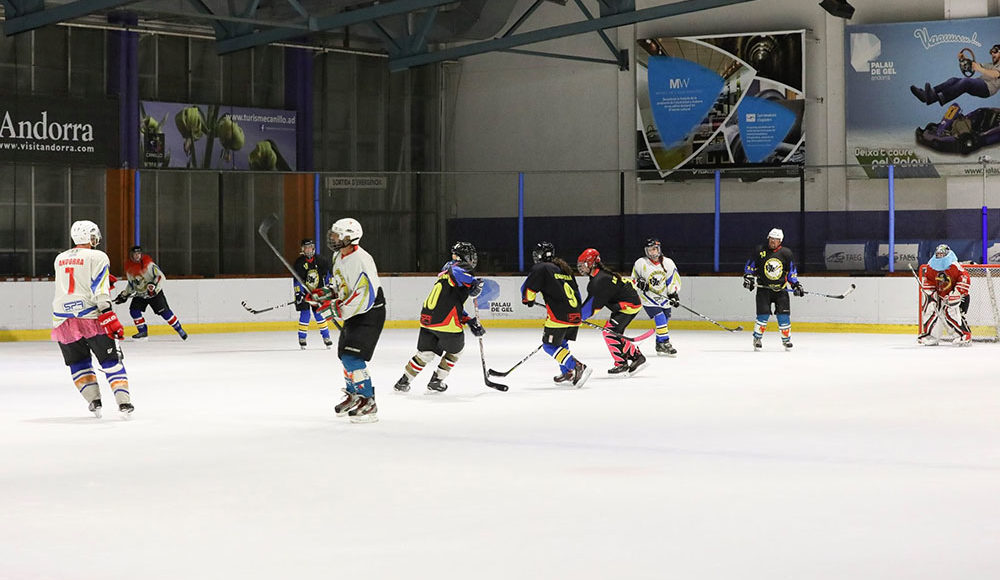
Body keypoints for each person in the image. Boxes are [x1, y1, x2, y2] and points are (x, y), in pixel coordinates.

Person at [52, 220, 133, 418]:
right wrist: (107, 312)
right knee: (110, 360)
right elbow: (99, 287)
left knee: (78, 361)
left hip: (63, 319)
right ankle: (123, 403)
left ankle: (93, 401)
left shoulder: (60, 258)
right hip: (91, 315)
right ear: (90, 236)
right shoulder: (98, 256)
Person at [308, 218, 385, 423]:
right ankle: (355, 395)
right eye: (332, 234)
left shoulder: (362, 260)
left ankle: (368, 401)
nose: (332, 238)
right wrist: (325, 293)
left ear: (350, 237)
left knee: (353, 357)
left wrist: (336, 309)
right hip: (353, 312)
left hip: (369, 312)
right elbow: (340, 285)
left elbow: (364, 295)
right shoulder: (338, 256)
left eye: (337, 235)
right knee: (344, 355)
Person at [393, 242, 486, 393]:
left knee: (425, 354)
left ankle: (403, 381)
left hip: (427, 320)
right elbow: (457, 272)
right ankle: (437, 380)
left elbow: (448, 303)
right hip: (445, 322)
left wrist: (468, 320)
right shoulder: (460, 268)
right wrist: (473, 282)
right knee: (456, 350)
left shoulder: (445, 273)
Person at [520, 241, 592, 387]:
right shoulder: (565, 269)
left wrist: (528, 300)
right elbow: (577, 293)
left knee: (549, 346)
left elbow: (529, 291)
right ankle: (567, 372)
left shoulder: (541, 267)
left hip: (559, 316)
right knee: (561, 343)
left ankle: (576, 366)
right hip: (575, 314)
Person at [577, 248, 648, 376]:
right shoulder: (599, 277)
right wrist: (579, 315)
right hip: (626, 304)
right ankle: (637, 357)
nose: (580, 267)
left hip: (628, 305)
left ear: (592, 263)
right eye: (580, 265)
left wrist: (577, 316)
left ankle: (622, 363)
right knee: (614, 332)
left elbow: (593, 306)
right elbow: (592, 303)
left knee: (610, 332)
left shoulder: (599, 280)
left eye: (583, 264)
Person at [743, 227, 803, 350]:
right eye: (771, 238)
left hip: (781, 290)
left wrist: (796, 285)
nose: (773, 241)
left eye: (776, 239)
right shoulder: (760, 250)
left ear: (780, 241)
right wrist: (749, 278)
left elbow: (791, 272)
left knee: (783, 315)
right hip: (763, 289)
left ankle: (786, 340)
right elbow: (750, 267)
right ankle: (757, 338)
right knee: (763, 315)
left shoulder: (787, 253)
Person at [114, 245, 187, 340]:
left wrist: (154, 287)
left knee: (165, 313)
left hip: (155, 294)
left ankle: (179, 329)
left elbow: (160, 276)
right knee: (134, 311)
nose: (137, 256)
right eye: (135, 254)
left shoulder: (150, 265)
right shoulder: (129, 270)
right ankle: (142, 331)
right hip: (141, 294)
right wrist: (124, 295)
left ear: (141, 254)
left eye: (139, 253)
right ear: (131, 255)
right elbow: (132, 285)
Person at [631, 237, 681, 356]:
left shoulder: (668, 263)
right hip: (648, 298)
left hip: (664, 298)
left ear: (659, 249)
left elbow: (673, 280)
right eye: (650, 250)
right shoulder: (640, 263)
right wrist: (639, 283)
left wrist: (673, 294)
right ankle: (666, 342)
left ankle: (659, 344)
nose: (653, 252)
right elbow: (633, 279)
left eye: (654, 249)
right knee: (660, 317)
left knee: (665, 319)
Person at [910, 44, 1000, 106]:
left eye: (995, 52)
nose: (992, 54)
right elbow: (974, 65)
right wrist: (963, 58)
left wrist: (979, 69)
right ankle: (927, 94)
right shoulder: (990, 65)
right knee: (953, 80)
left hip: (987, 89)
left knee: (966, 81)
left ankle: (933, 98)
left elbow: (995, 75)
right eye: (991, 52)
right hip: (979, 83)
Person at [918, 244, 972, 345]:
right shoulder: (931, 266)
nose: (939, 256)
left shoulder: (955, 265)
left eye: (942, 254)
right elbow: (929, 281)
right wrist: (929, 292)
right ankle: (931, 336)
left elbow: (964, 278)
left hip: (959, 296)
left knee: (951, 311)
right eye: (938, 254)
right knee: (930, 308)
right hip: (941, 296)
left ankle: (964, 335)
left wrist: (956, 293)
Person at [292, 238, 333, 350]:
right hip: (304, 293)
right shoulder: (299, 263)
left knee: (319, 314)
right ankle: (302, 338)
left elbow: (328, 275)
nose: (308, 250)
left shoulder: (321, 260)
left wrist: (328, 288)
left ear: (313, 248)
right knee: (305, 315)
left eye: (310, 247)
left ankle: (326, 337)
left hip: (318, 293)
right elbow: (296, 280)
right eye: (306, 248)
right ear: (302, 249)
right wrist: (298, 293)